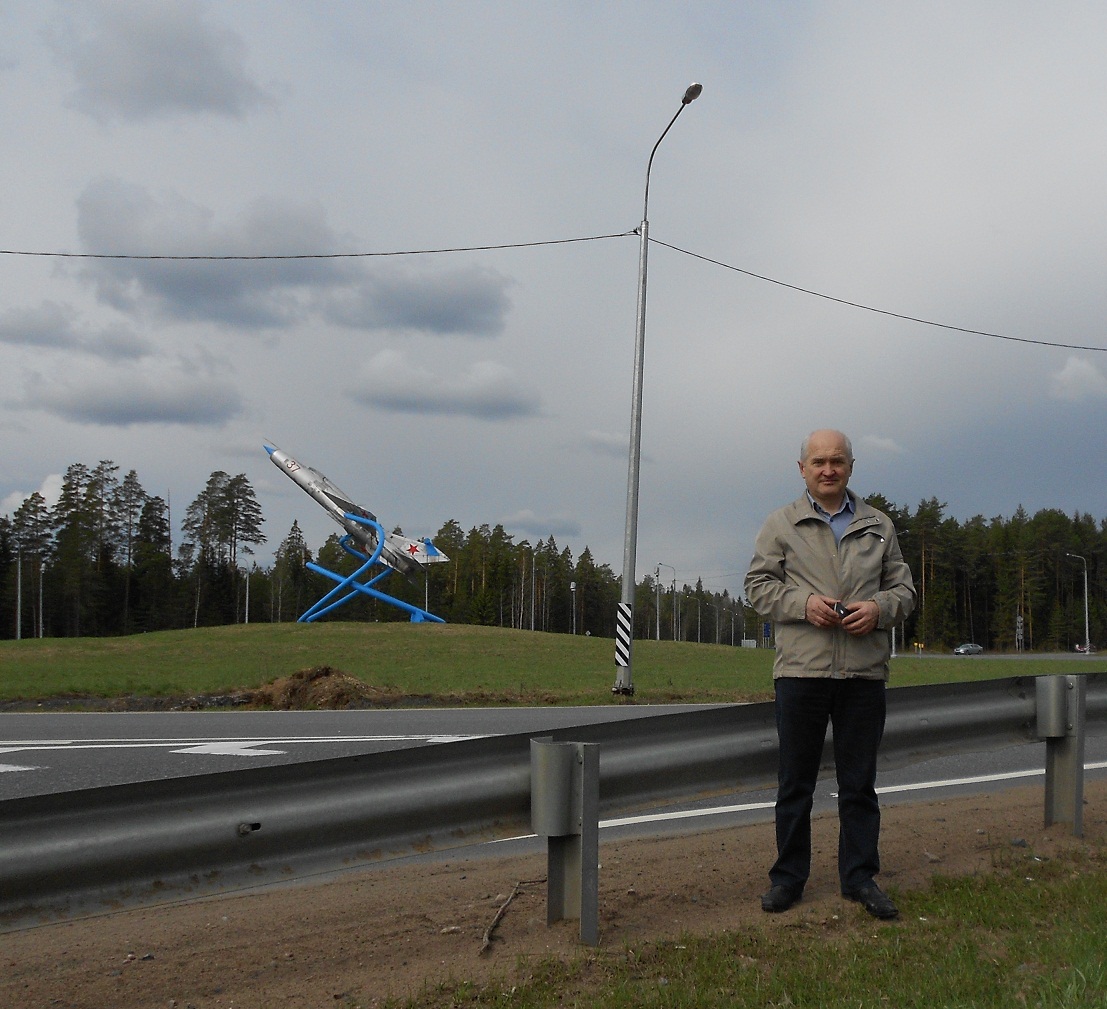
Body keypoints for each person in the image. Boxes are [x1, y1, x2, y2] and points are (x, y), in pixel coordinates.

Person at [744, 429, 915, 920]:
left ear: (850, 467)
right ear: (802, 469)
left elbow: (904, 591)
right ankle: (788, 879)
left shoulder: (879, 526)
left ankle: (859, 878)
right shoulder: (781, 523)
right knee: (795, 784)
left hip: (863, 675)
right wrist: (803, 604)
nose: (828, 469)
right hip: (802, 673)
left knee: (859, 785)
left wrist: (878, 610)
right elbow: (757, 586)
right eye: (818, 461)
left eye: (837, 461)